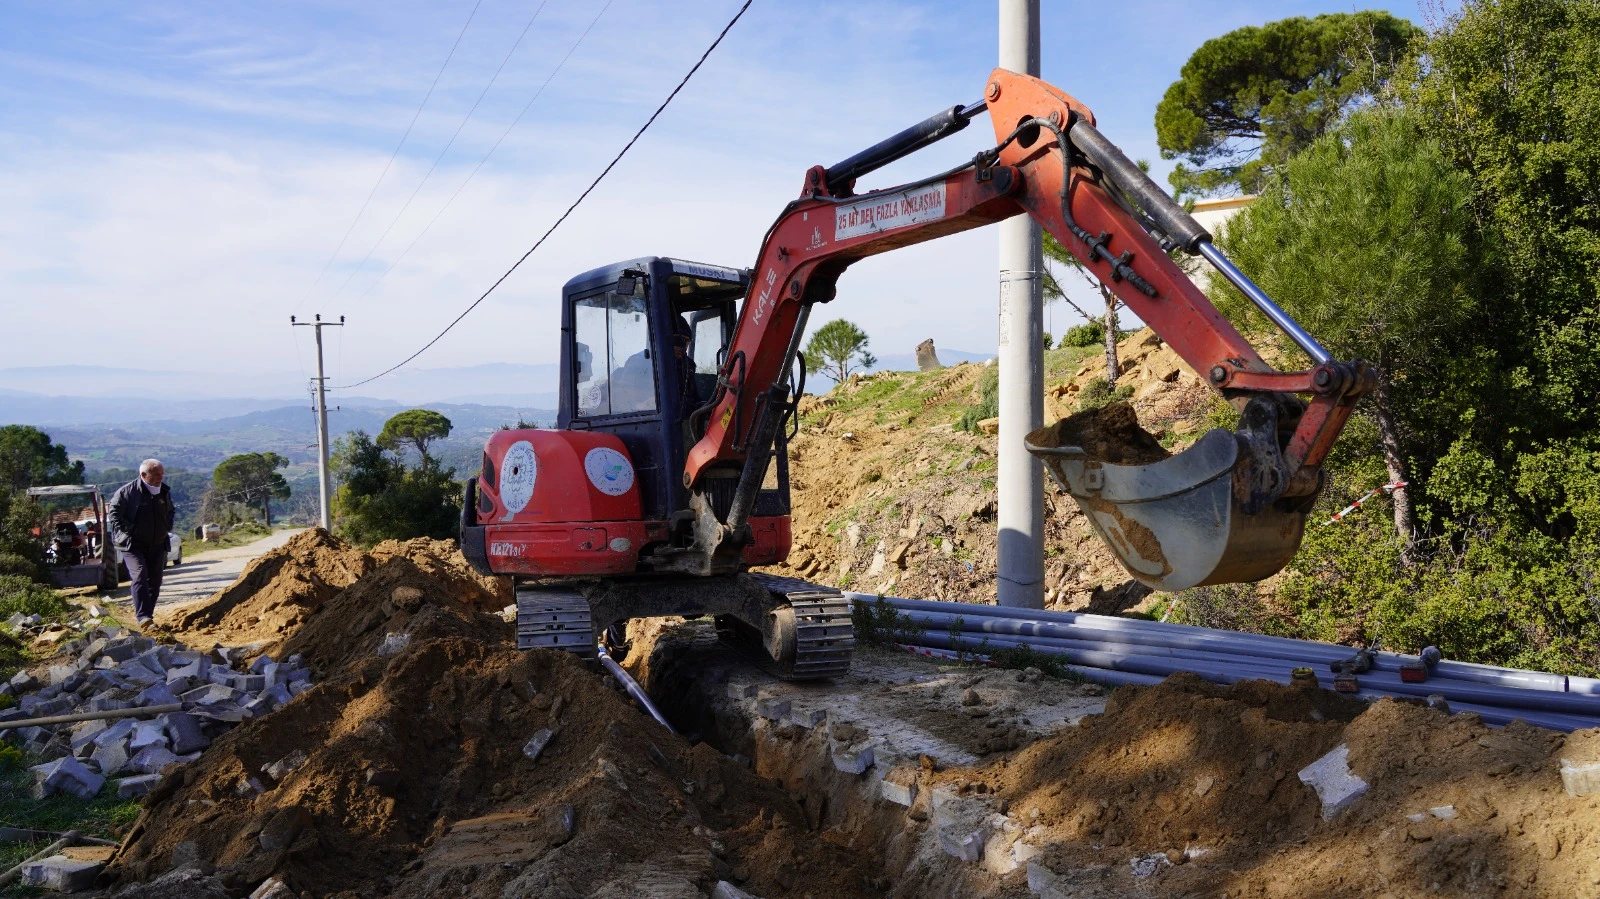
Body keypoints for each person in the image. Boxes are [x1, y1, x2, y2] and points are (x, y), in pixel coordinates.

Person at [107, 459, 174, 628]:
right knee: (140, 574)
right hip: (132, 544)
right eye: (156, 474)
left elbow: (170, 510)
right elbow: (114, 514)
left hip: (158, 543)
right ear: (143, 475)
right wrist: (132, 530)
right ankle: (143, 617)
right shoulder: (126, 492)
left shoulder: (164, 491)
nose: (161, 477)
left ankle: (148, 617)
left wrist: (167, 526)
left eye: (162, 473)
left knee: (155, 580)